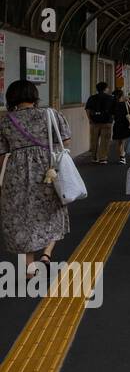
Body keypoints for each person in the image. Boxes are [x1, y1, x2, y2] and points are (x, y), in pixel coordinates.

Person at [0, 80, 72, 276]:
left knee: (22, 219)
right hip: (48, 171)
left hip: (16, 175)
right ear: (34, 95)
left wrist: (2, 180)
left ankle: (29, 268)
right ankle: (46, 254)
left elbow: (1, 153)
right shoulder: (50, 114)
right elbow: (65, 140)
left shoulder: (7, 120)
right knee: (52, 212)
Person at [84, 81, 115, 164]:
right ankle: (103, 158)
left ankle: (94, 158)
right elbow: (114, 110)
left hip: (94, 122)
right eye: (107, 88)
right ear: (105, 89)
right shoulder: (111, 98)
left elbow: (87, 109)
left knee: (94, 140)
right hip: (107, 122)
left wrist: (90, 119)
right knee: (105, 140)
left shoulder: (92, 98)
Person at [109, 89, 130, 164]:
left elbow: (112, 115)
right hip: (125, 123)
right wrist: (128, 100)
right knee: (123, 141)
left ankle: (121, 157)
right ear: (122, 96)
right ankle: (122, 156)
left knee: (119, 142)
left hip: (117, 124)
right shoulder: (125, 104)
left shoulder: (113, 104)